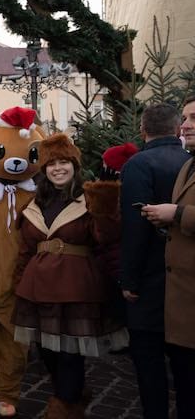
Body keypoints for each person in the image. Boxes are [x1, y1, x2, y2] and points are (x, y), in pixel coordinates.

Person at [13, 134, 128, 418]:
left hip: (76, 288)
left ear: (75, 166)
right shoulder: (34, 204)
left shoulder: (88, 199)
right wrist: (17, 282)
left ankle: (64, 407)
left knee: (69, 355)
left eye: (64, 162)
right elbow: (25, 249)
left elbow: (107, 238)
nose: (58, 168)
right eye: (52, 164)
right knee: (48, 353)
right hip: (37, 290)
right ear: (44, 169)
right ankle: (72, 396)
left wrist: (105, 207)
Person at [120, 102, 190, 419]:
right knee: (185, 365)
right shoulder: (189, 162)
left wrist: (129, 280)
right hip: (185, 283)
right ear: (178, 130)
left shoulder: (138, 164)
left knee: (149, 364)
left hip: (149, 279)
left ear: (143, 130)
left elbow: (135, 227)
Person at [140, 95, 195, 419]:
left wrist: (177, 214)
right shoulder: (188, 163)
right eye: (184, 118)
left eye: (192, 118)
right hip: (183, 298)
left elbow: (183, 214)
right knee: (186, 385)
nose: (184, 125)